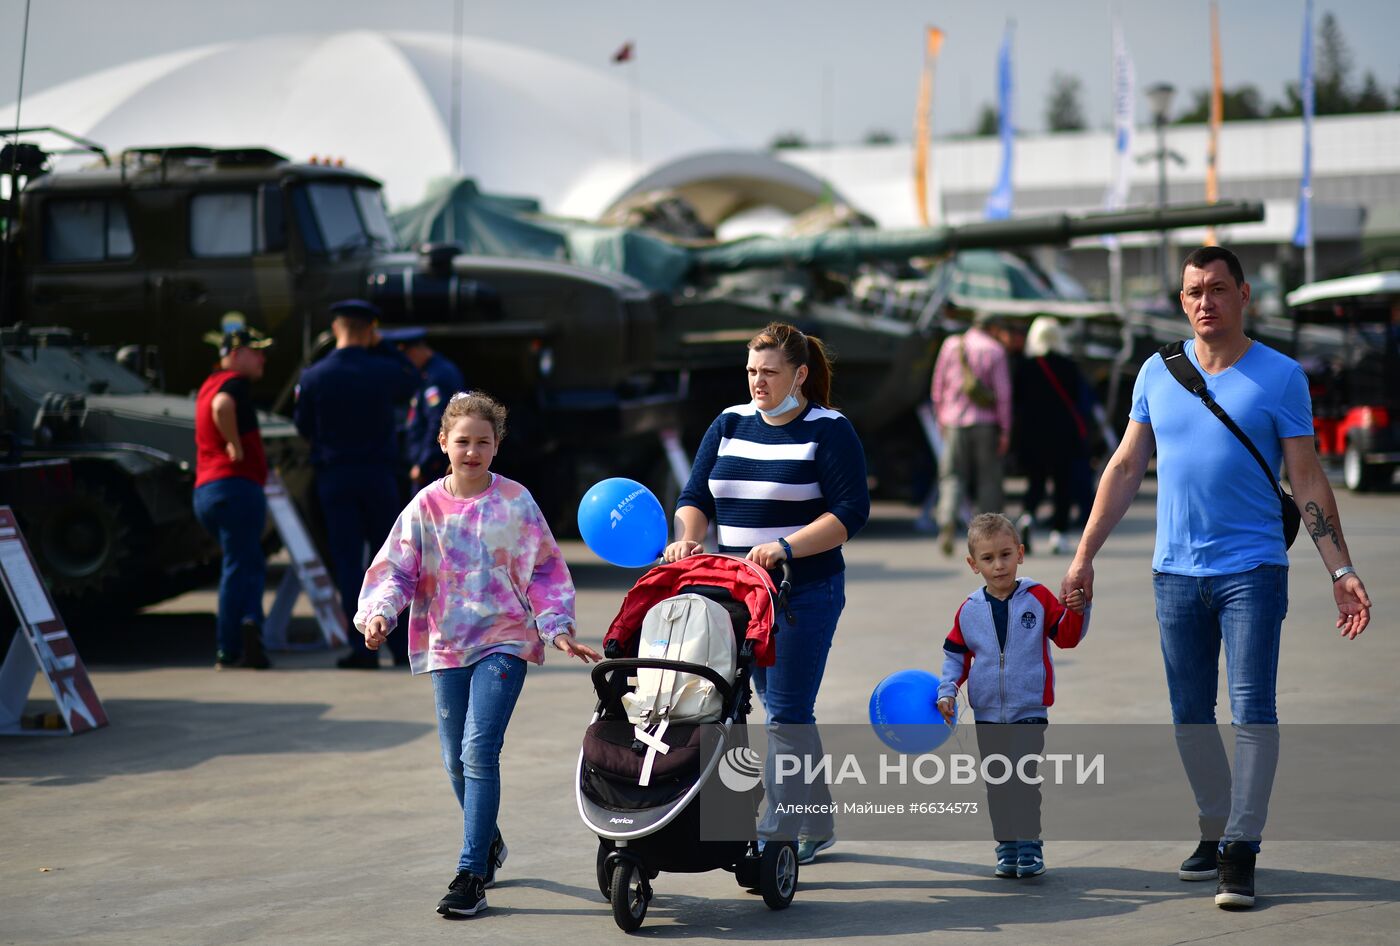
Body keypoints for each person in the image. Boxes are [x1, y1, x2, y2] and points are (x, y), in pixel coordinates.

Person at [1060, 245, 1372, 911]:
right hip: (1174, 572)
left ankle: (1241, 849)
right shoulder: (1157, 371)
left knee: (1253, 708)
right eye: (1195, 290)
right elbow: (1123, 468)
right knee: (1188, 715)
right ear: (1182, 300)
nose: (1207, 301)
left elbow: (1308, 475)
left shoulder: (1281, 376)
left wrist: (1339, 567)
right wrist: (1085, 554)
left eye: (1219, 289)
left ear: (1244, 295)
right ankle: (1214, 825)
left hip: (1253, 569)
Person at [354, 391, 602, 918]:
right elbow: (396, 569)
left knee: (477, 750)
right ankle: (488, 839)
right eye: (462, 441)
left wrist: (556, 629)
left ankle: (470, 874)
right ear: (443, 442)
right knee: (453, 759)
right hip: (445, 642)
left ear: (497, 446)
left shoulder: (516, 501)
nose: (471, 451)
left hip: (505, 641)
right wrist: (381, 613)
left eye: (482, 442)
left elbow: (545, 570)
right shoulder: (425, 505)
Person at [662, 321, 870, 864]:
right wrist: (687, 537)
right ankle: (817, 822)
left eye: (770, 372)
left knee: (785, 713)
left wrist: (786, 546)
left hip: (806, 593)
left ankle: (772, 835)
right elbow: (694, 495)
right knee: (749, 709)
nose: (758, 381)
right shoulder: (729, 422)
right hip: (737, 594)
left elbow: (850, 513)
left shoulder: (830, 429)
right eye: (752, 371)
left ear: (799, 374)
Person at [936, 513, 1088, 879]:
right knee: (998, 785)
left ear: (1020, 553)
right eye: (987, 559)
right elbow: (955, 655)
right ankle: (1006, 848)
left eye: (1005, 554)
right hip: (987, 713)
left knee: (1023, 781)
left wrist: (1079, 611)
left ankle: (1029, 846)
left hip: (1029, 711)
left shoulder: (1038, 597)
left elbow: (1066, 637)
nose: (998, 565)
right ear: (973, 564)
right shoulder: (968, 611)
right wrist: (948, 691)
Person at [293, 299, 420, 669]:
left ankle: (360, 646)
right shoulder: (381, 368)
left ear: (335, 329)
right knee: (393, 562)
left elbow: (303, 426)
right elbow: (412, 379)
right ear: (370, 330)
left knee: (348, 562)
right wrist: (379, 345)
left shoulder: (314, 375)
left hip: (335, 475)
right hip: (378, 475)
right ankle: (398, 648)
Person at [193, 322, 274, 670]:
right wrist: (235, 443)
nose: (262, 360)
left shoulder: (208, 384)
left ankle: (244, 630)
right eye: (256, 353)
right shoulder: (232, 386)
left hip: (208, 491)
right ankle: (238, 638)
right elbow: (223, 407)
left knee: (240, 561)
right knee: (244, 565)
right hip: (235, 487)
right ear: (236, 354)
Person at [930, 311, 1012, 557]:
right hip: (986, 424)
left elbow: (938, 387)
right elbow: (1003, 394)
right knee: (988, 480)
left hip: (954, 422)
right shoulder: (995, 350)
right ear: (994, 328)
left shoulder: (951, 345)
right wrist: (1005, 429)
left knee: (952, 476)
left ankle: (946, 521)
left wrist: (941, 420)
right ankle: (987, 538)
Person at [1013, 316, 1095, 555]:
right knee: (1062, 484)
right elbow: (1079, 399)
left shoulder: (1025, 366)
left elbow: (1018, 401)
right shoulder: (1068, 365)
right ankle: (1058, 534)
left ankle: (1027, 518)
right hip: (1063, 434)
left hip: (1033, 434)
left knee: (1035, 481)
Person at [381, 327, 466, 490]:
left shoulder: (436, 377)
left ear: (412, 352)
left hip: (433, 468)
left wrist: (424, 463)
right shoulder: (430, 371)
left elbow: (438, 422)